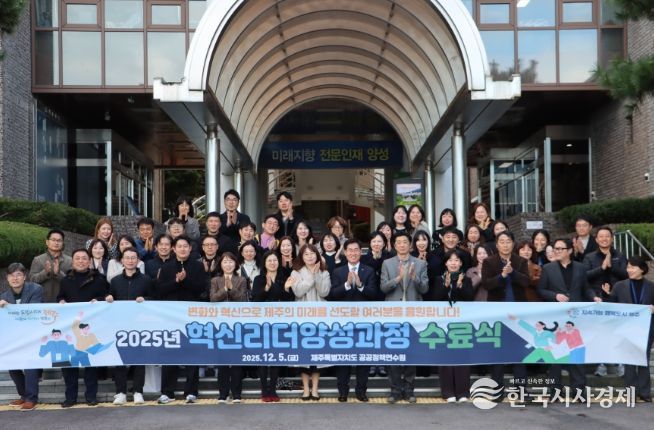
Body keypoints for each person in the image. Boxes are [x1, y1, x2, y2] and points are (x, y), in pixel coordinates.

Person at [537, 238, 597, 398]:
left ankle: (579, 390)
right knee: (555, 356)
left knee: (576, 353)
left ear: (569, 250)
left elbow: (586, 288)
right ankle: (555, 391)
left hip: (575, 318)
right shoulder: (548, 268)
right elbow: (541, 290)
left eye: (560, 248)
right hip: (555, 319)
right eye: (555, 248)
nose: (556, 251)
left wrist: (594, 297)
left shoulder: (580, 268)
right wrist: (555, 296)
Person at [155, 236, 210, 404]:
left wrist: (185, 280)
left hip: (191, 316)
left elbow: (201, 289)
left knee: (192, 353)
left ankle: (191, 391)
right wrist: (176, 281)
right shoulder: (166, 267)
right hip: (171, 316)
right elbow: (159, 290)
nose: (183, 249)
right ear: (174, 249)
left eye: (185, 246)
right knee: (170, 353)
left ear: (190, 248)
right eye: (179, 246)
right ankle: (167, 392)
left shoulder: (198, 266)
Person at [380, 232, 429, 403]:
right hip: (393, 313)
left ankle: (409, 389)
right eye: (399, 242)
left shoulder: (420, 263)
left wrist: (415, 278)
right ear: (394, 245)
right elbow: (383, 288)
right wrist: (398, 278)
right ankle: (395, 389)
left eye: (405, 242)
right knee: (393, 351)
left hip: (413, 313)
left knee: (410, 351)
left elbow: (425, 289)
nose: (402, 245)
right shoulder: (387, 263)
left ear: (410, 245)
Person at [57, 249, 108, 408]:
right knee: (69, 365)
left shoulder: (99, 279)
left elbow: (107, 297)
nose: (80, 261)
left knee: (90, 363)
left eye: (84, 258)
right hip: (70, 328)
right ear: (72, 262)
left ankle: (91, 396)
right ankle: (70, 397)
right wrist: (61, 301)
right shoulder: (65, 280)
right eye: (77, 258)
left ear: (89, 261)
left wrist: (98, 300)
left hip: (91, 328)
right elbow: (60, 296)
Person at [481, 231, 529, 400]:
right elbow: (486, 284)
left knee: (519, 353)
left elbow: (526, 281)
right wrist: (502, 276)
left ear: (513, 243)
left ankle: (521, 391)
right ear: (497, 244)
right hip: (497, 313)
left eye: (508, 241)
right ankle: (497, 391)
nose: (505, 245)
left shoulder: (521, 261)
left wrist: (512, 272)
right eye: (502, 241)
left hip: (517, 313)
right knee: (498, 353)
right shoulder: (489, 262)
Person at [329, 240, 377, 402]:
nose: (353, 253)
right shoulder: (338, 271)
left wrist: (360, 285)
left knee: (363, 358)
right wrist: (347, 284)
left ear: (360, 252)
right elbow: (333, 294)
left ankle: (361, 391)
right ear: (345, 252)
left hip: (364, 322)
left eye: (356, 250)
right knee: (343, 358)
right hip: (343, 322)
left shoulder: (369, 270)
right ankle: (343, 391)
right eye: (350, 250)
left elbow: (374, 294)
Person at [602, 256, 654, 402]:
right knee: (629, 361)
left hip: (646, 328)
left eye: (632, 267)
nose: (629, 270)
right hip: (626, 328)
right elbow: (612, 305)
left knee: (643, 360)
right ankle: (631, 392)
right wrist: (606, 295)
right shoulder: (620, 286)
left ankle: (645, 392)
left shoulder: (651, 286)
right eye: (628, 267)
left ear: (642, 269)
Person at [106, 247, 152, 405]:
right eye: (127, 257)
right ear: (122, 261)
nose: (130, 260)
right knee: (119, 359)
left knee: (139, 359)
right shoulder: (115, 281)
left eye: (133, 257)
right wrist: (109, 298)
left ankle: (138, 391)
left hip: (140, 325)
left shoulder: (146, 279)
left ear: (138, 260)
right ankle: (120, 392)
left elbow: (154, 298)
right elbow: (110, 298)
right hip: (120, 325)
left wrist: (145, 299)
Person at [286, 244, 331, 400]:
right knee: (304, 355)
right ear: (301, 257)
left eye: (312, 253)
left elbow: (324, 292)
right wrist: (311, 277)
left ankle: (315, 389)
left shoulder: (324, 272)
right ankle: (306, 389)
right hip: (302, 318)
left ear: (317, 255)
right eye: (306, 254)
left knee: (317, 354)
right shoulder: (295, 272)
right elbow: (298, 292)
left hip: (320, 318)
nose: (310, 256)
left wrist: (316, 275)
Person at [429, 249, 474, 403]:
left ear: (461, 263)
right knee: (445, 358)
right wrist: (446, 285)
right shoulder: (438, 279)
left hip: (462, 325)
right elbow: (435, 299)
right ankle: (448, 392)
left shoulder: (466, 279)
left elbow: (470, 298)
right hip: (443, 325)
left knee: (462, 357)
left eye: (456, 260)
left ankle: (462, 392)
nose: (453, 263)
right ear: (446, 263)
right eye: (450, 260)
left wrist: (459, 286)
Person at [251, 251, 295, 402]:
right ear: (264, 263)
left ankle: (273, 390)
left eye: (275, 260)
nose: (272, 263)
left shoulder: (284, 278)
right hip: (262, 323)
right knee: (263, 358)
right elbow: (255, 300)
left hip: (280, 323)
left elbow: (290, 301)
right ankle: (264, 390)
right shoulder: (259, 279)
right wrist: (266, 288)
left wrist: (287, 289)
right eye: (269, 260)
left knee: (276, 356)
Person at [0, 262, 43, 411]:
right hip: (14, 338)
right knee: (11, 365)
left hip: (32, 335)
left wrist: (10, 308)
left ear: (24, 277)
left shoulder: (36, 289)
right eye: (11, 275)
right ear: (7, 278)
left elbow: (32, 311)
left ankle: (31, 398)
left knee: (30, 366)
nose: (15, 278)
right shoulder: (4, 296)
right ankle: (24, 394)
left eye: (18, 275)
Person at [210, 252, 249, 403]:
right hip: (221, 325)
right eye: (225, 262)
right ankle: (223, 394)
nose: (228, 264)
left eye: (231, 262)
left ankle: (237, 394)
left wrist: (232, 288)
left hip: (237, 325)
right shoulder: (215, 280)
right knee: (223, 361)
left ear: (235, 264)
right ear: (221, 264)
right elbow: (213, 299)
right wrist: (224, 289)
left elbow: (242, 299)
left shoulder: (241, 280)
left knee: (237, 360)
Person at [29, 228, 72, 303]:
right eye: (53, 240)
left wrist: (58, 273)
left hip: (63, 302)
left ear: (63, 243)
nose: (56, 243)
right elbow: (32, 280)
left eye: (59, 240)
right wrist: (45, 273)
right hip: (42, 301)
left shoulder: (70, 261)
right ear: (47, 242)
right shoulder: (38, 259)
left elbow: (72, 283)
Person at [411, 230, 443, 301]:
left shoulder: (435, 258)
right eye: (418, 240)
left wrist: (425, 266)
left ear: (428, 241)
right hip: (412, 295)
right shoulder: (410, 257)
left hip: (430, 295)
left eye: (424, 240)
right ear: (415, 242)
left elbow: (436, 280)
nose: (421, 243)